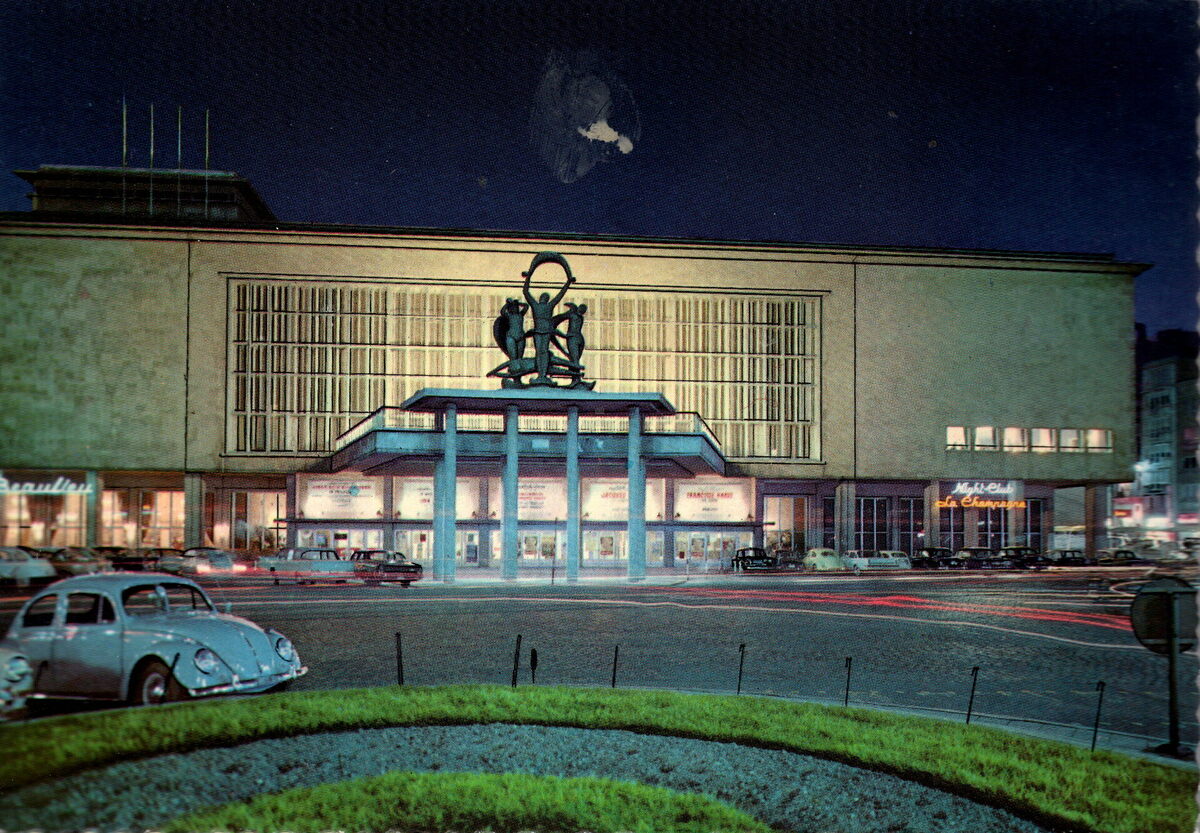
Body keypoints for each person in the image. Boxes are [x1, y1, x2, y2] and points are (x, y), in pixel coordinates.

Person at [523, 259, 574, 384]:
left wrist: (567, 283)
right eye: (543, 297)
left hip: (544, 331)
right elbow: (526, 292)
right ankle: (541, 374)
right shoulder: (536, 305)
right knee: (540, 352)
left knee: (543, 352)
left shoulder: (546, 306)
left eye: (545, 297)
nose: (544, 298)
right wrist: (527, 278)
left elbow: (560, 295)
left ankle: (542, 374)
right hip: (538, 331)